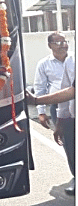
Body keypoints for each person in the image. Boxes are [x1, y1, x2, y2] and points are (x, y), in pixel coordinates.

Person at [28, 55, 75, 195]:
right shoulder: (71, 60)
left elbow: (71, 92)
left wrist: (36, 100)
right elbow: (68, 91)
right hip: (71, 117)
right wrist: (60, 121)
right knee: (72, 150)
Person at [33, 32, 70, 129]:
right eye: (58, 43)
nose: (63, 45)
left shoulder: (74, 59)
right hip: (57, 105)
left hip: (74, 102)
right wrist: (41, 112)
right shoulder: (44, 64)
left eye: (65, 42)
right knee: (66, 139)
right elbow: (40, 88)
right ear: (50, 45)